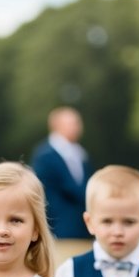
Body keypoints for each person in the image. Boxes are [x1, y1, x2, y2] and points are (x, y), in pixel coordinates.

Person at [31, 106, 91, 248]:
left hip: (81, 226)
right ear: (56, 125)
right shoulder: (45, 155)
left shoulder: (80, 153)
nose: (77, 127)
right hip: (59, 226)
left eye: (78, 123)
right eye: (72, 123)